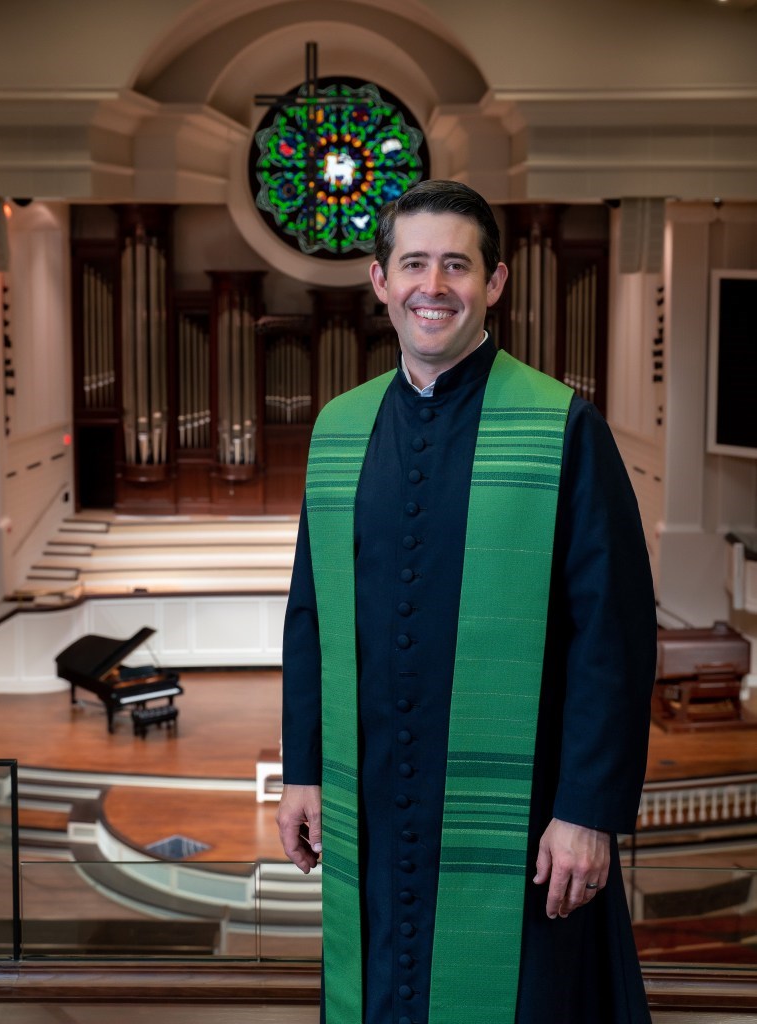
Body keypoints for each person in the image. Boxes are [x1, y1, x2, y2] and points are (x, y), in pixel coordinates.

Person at [277, 179, 656, 1024]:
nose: (433, 286)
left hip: (523, 816)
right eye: (414, 264)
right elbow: (311, 613)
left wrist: (586, 813)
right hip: (373, 797)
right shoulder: (339, 430)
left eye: (457, 264)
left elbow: (613, 636)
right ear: (380, 282)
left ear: (496, 282)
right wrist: (302, 766)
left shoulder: (563, 426)